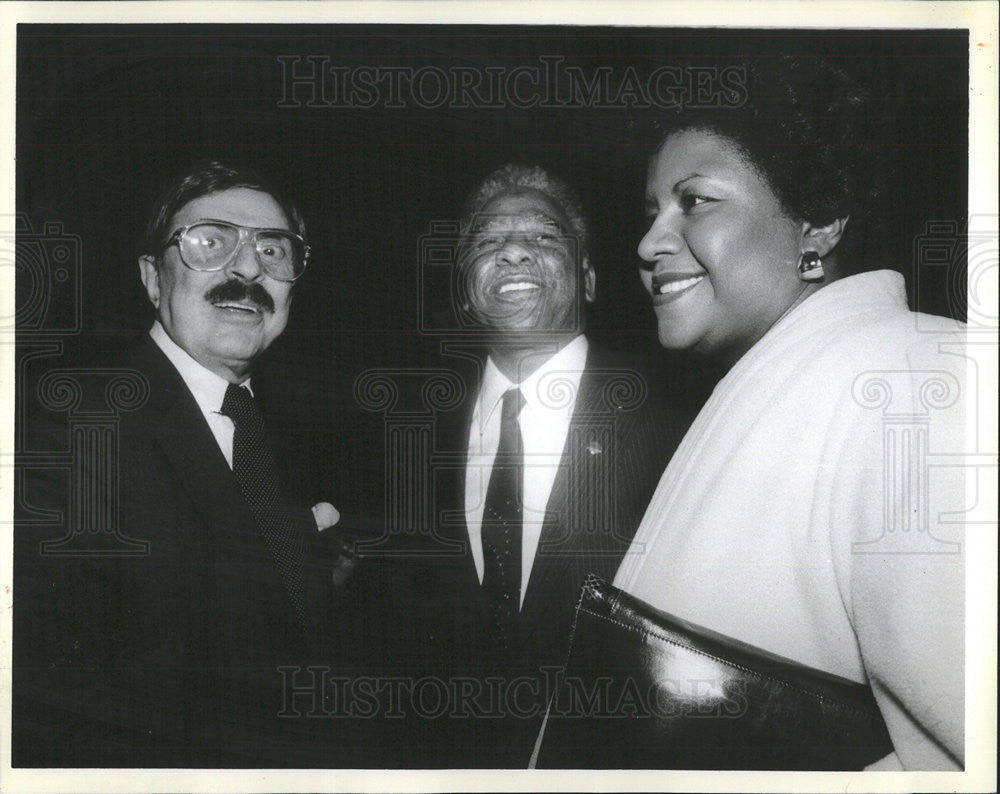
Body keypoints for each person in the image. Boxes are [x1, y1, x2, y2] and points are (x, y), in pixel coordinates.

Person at [610, 57, 965, 770]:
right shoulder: (778, 382)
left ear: (820, 222)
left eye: (695, 201)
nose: (649, 243)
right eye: (652, 212)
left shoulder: (920, 379)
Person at [14, 160, 343, 767]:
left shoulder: (281, 442)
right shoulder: (72, 426)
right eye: (210, 243)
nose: (248, 269)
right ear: (152, 278)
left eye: (273, 250)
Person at [367, 164, 688, 767]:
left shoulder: (677, 421)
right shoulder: (403, 443)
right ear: (464, 288)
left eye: (543, 238)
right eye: (487, 243)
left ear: (588, 278)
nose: (512, 251)